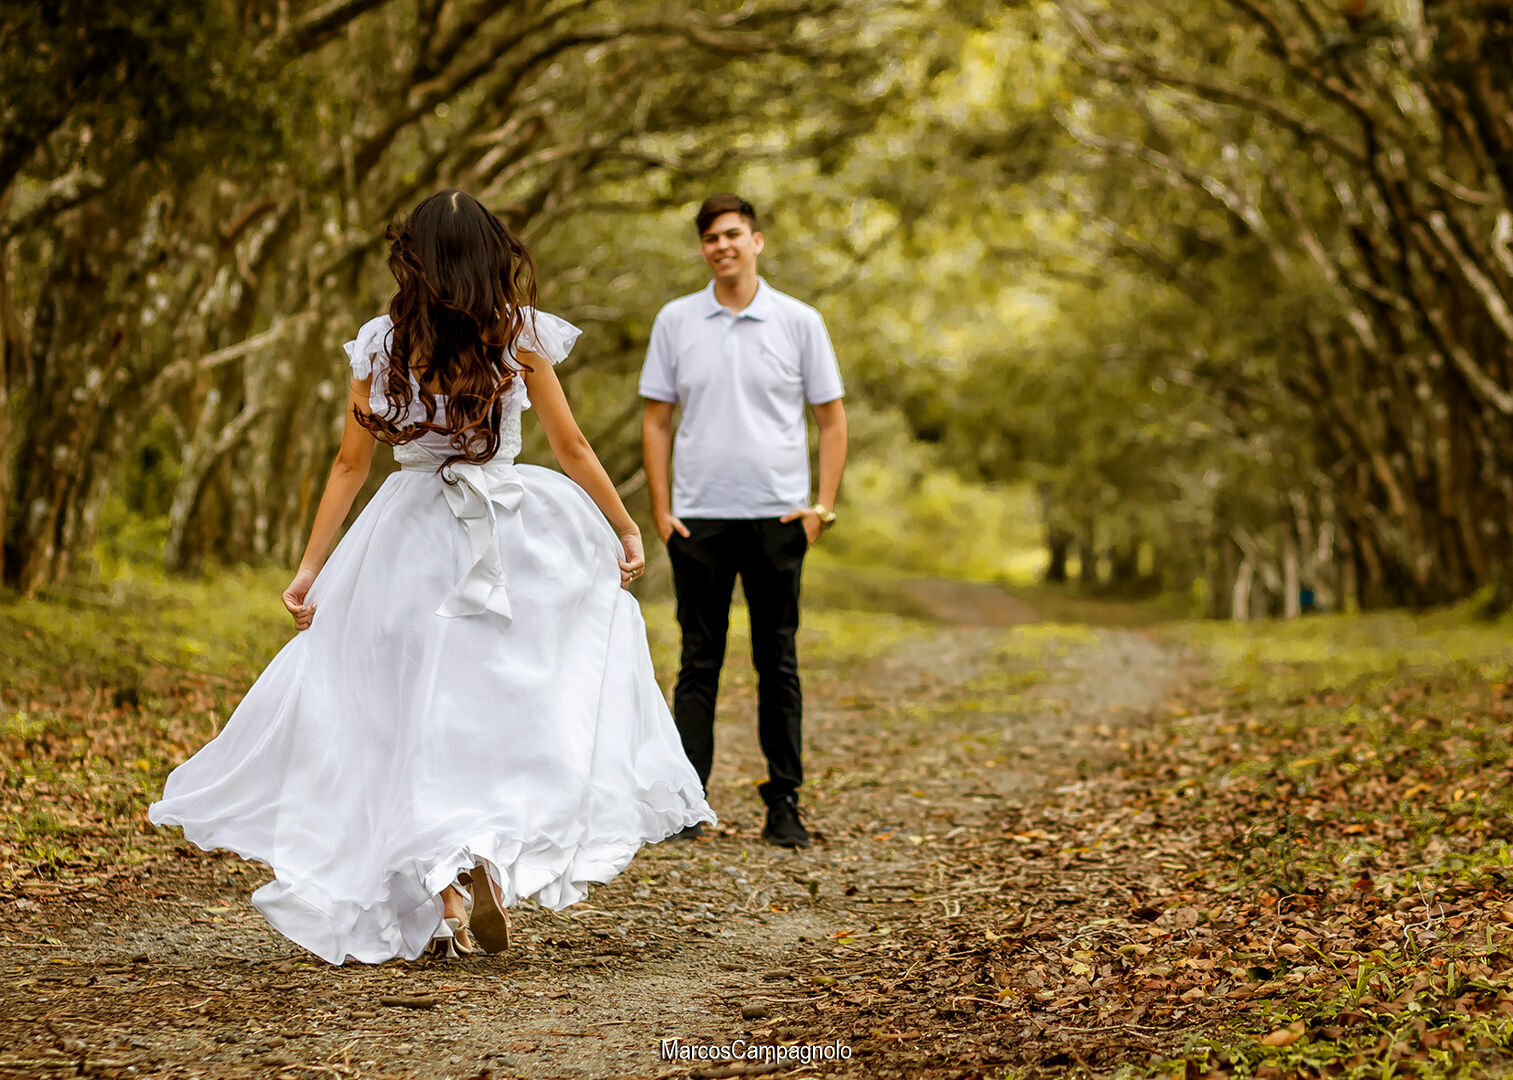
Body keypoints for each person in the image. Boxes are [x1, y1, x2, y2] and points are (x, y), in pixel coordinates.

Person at [149, 189, 714, 965]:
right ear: (492, 255)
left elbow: (350, 465)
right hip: (511, 531)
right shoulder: (517, 335)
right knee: (500, 703)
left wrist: (311, 569)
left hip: (406, 533)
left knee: (407, 709)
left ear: (412, 258)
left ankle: (447, 892)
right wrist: (621, 525)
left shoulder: (382, 344)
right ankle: (483, 856)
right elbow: (573, 447)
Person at [639, 194, 848, 849]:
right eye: (710, 237)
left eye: (732, 233)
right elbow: (656, 420)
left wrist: (821, 508)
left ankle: (783, 804)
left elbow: (831, 419)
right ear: (703, 249)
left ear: (756, 241)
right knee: (697, 664)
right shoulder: (676, 320)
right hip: (698, 520)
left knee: (776, 663)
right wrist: (662, 509)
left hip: (776, 518)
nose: (721, 245)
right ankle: (686, 805)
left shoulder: (799, 321)